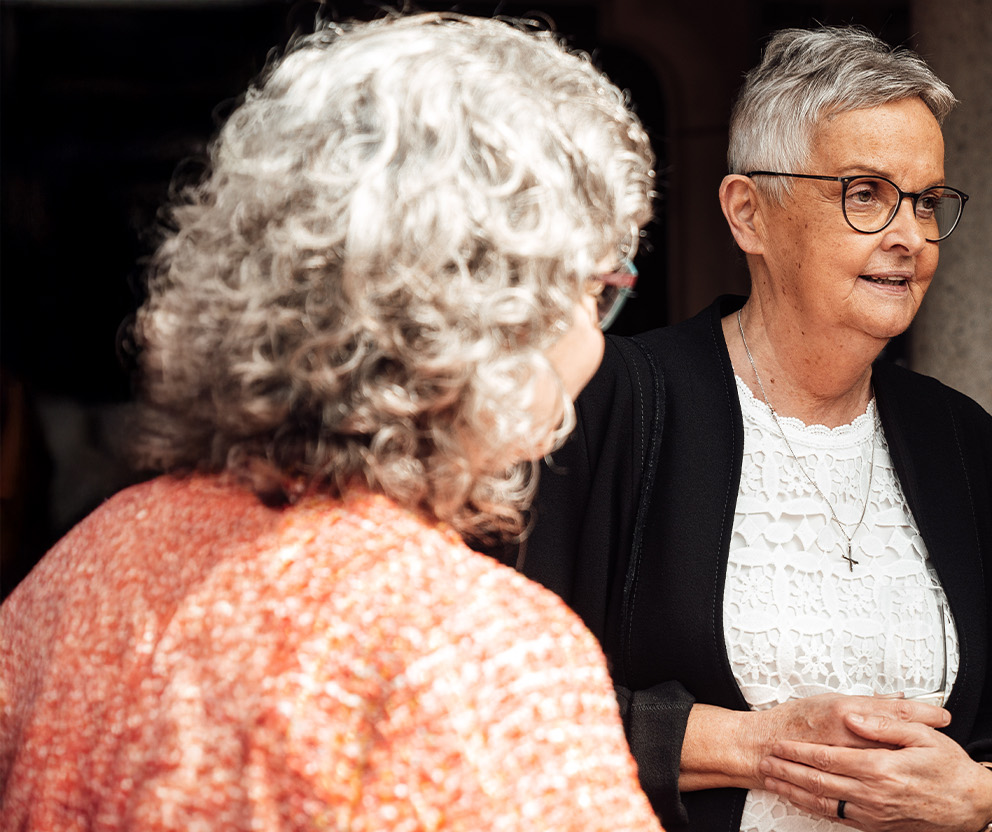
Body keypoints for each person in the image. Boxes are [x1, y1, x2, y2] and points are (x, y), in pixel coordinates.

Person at [0, 14, 663, 829]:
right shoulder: (474, 651)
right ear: (498, 310)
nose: (597, 337)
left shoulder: (84, 569)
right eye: (599, 288)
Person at [513, 26, 992, 832]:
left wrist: (985, 796)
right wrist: (750, 745)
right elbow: (504, 698)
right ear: (748, 214)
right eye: (866, 194)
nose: (909, 235)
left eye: (928, 200)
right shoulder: (614, 402)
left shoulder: (955, 436)